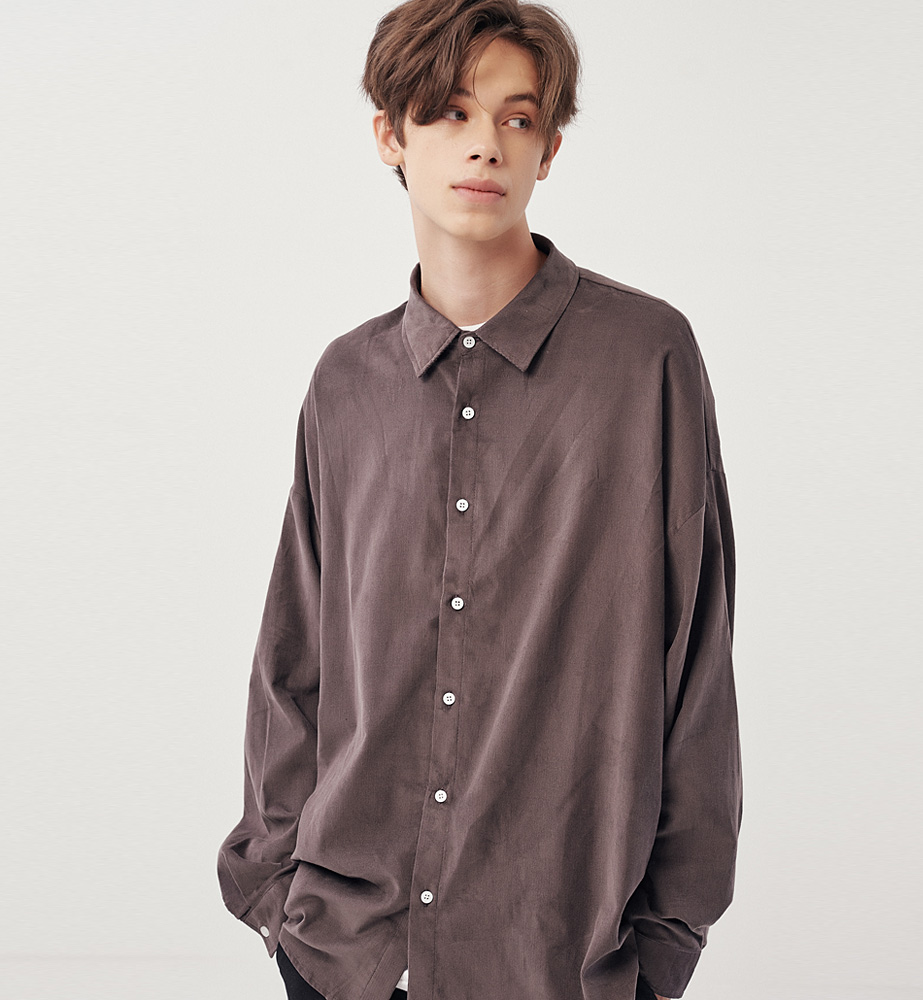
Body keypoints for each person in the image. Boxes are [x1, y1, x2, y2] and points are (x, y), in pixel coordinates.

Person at [216, 2, 742, 998]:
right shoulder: (346, 381)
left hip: (564, 958)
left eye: (516, 117)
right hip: (348, 954)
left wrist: (665, 944)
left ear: (548, 150)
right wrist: (281, 905)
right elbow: (294, 661)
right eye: (450, 112)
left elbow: (696, 665)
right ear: (390, 136)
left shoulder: (645, 361)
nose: (484, 145)